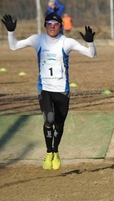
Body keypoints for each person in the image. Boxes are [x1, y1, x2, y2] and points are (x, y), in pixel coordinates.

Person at [1, 13, 97, 170]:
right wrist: (11, 32)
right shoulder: (37, 40)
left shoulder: (67, 42)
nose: (52, 26)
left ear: (60, 26)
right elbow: (13, 46)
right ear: (45, 25)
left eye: (56, 23)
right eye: (49, 23)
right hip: (44, 89)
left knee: (59, 125)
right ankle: (48, 152)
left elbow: (92, 55)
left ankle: (56, 151)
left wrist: (91, 42)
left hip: (62, 90)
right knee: (49, 120)